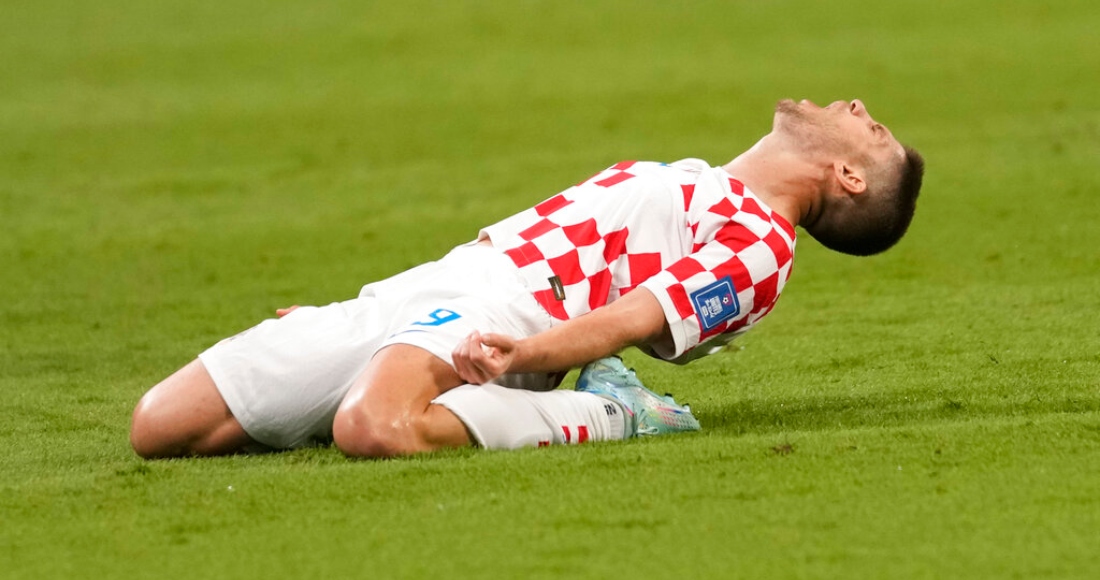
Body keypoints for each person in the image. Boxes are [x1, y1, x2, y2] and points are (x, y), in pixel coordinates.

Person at [130, 98, 924, 459]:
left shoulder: (760, 249)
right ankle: (387, 371)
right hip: (428, 288)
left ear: (848, 178)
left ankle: (612, 412)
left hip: (512, 318)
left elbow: (639, 317)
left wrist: (524, 352)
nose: (856, 104)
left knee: (375, 429)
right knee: (163, 427)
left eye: (872, 127)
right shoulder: (698, 178)